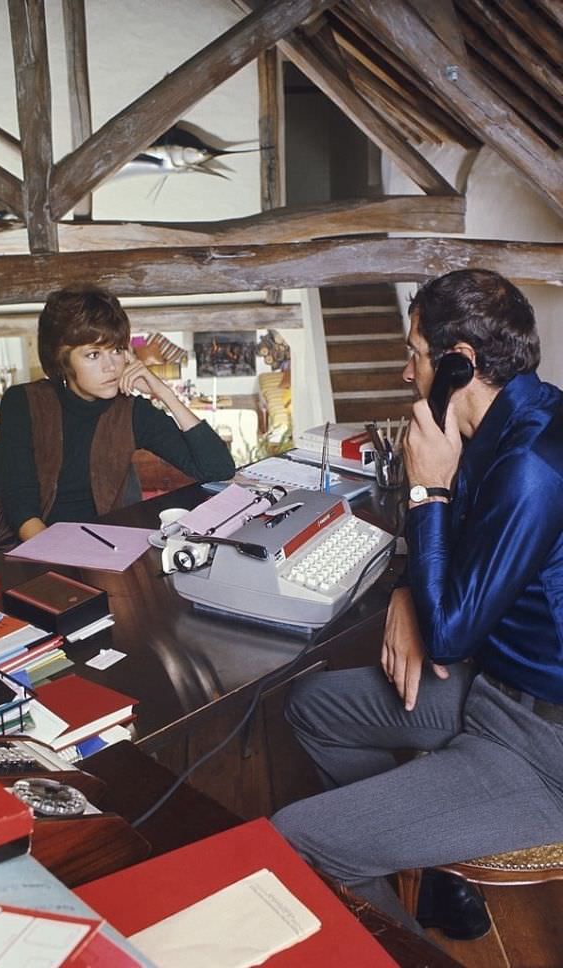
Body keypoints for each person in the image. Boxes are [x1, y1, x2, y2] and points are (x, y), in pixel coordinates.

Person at [272, 268, 563, 938]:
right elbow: (463, 561)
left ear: (459, 365)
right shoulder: (509, 421)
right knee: (312, 707)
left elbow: (453, 634)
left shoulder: (532, 465)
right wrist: (407, 586)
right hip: (499, 689)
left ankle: (404, 942)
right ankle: (417, 864)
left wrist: (426, 493)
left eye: (415, 355)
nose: (407, 372)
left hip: (543, 744)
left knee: (296, 836)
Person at [0, 286, 235, 541]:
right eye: (93, 355)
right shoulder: (23, 402)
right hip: (41, 545)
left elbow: (218, 469)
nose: (111, 366)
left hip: (109, 544)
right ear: (61, 360)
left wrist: (163, 393)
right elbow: (21, 508)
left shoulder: (132, 411)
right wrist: (57, 556)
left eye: (117, 350)